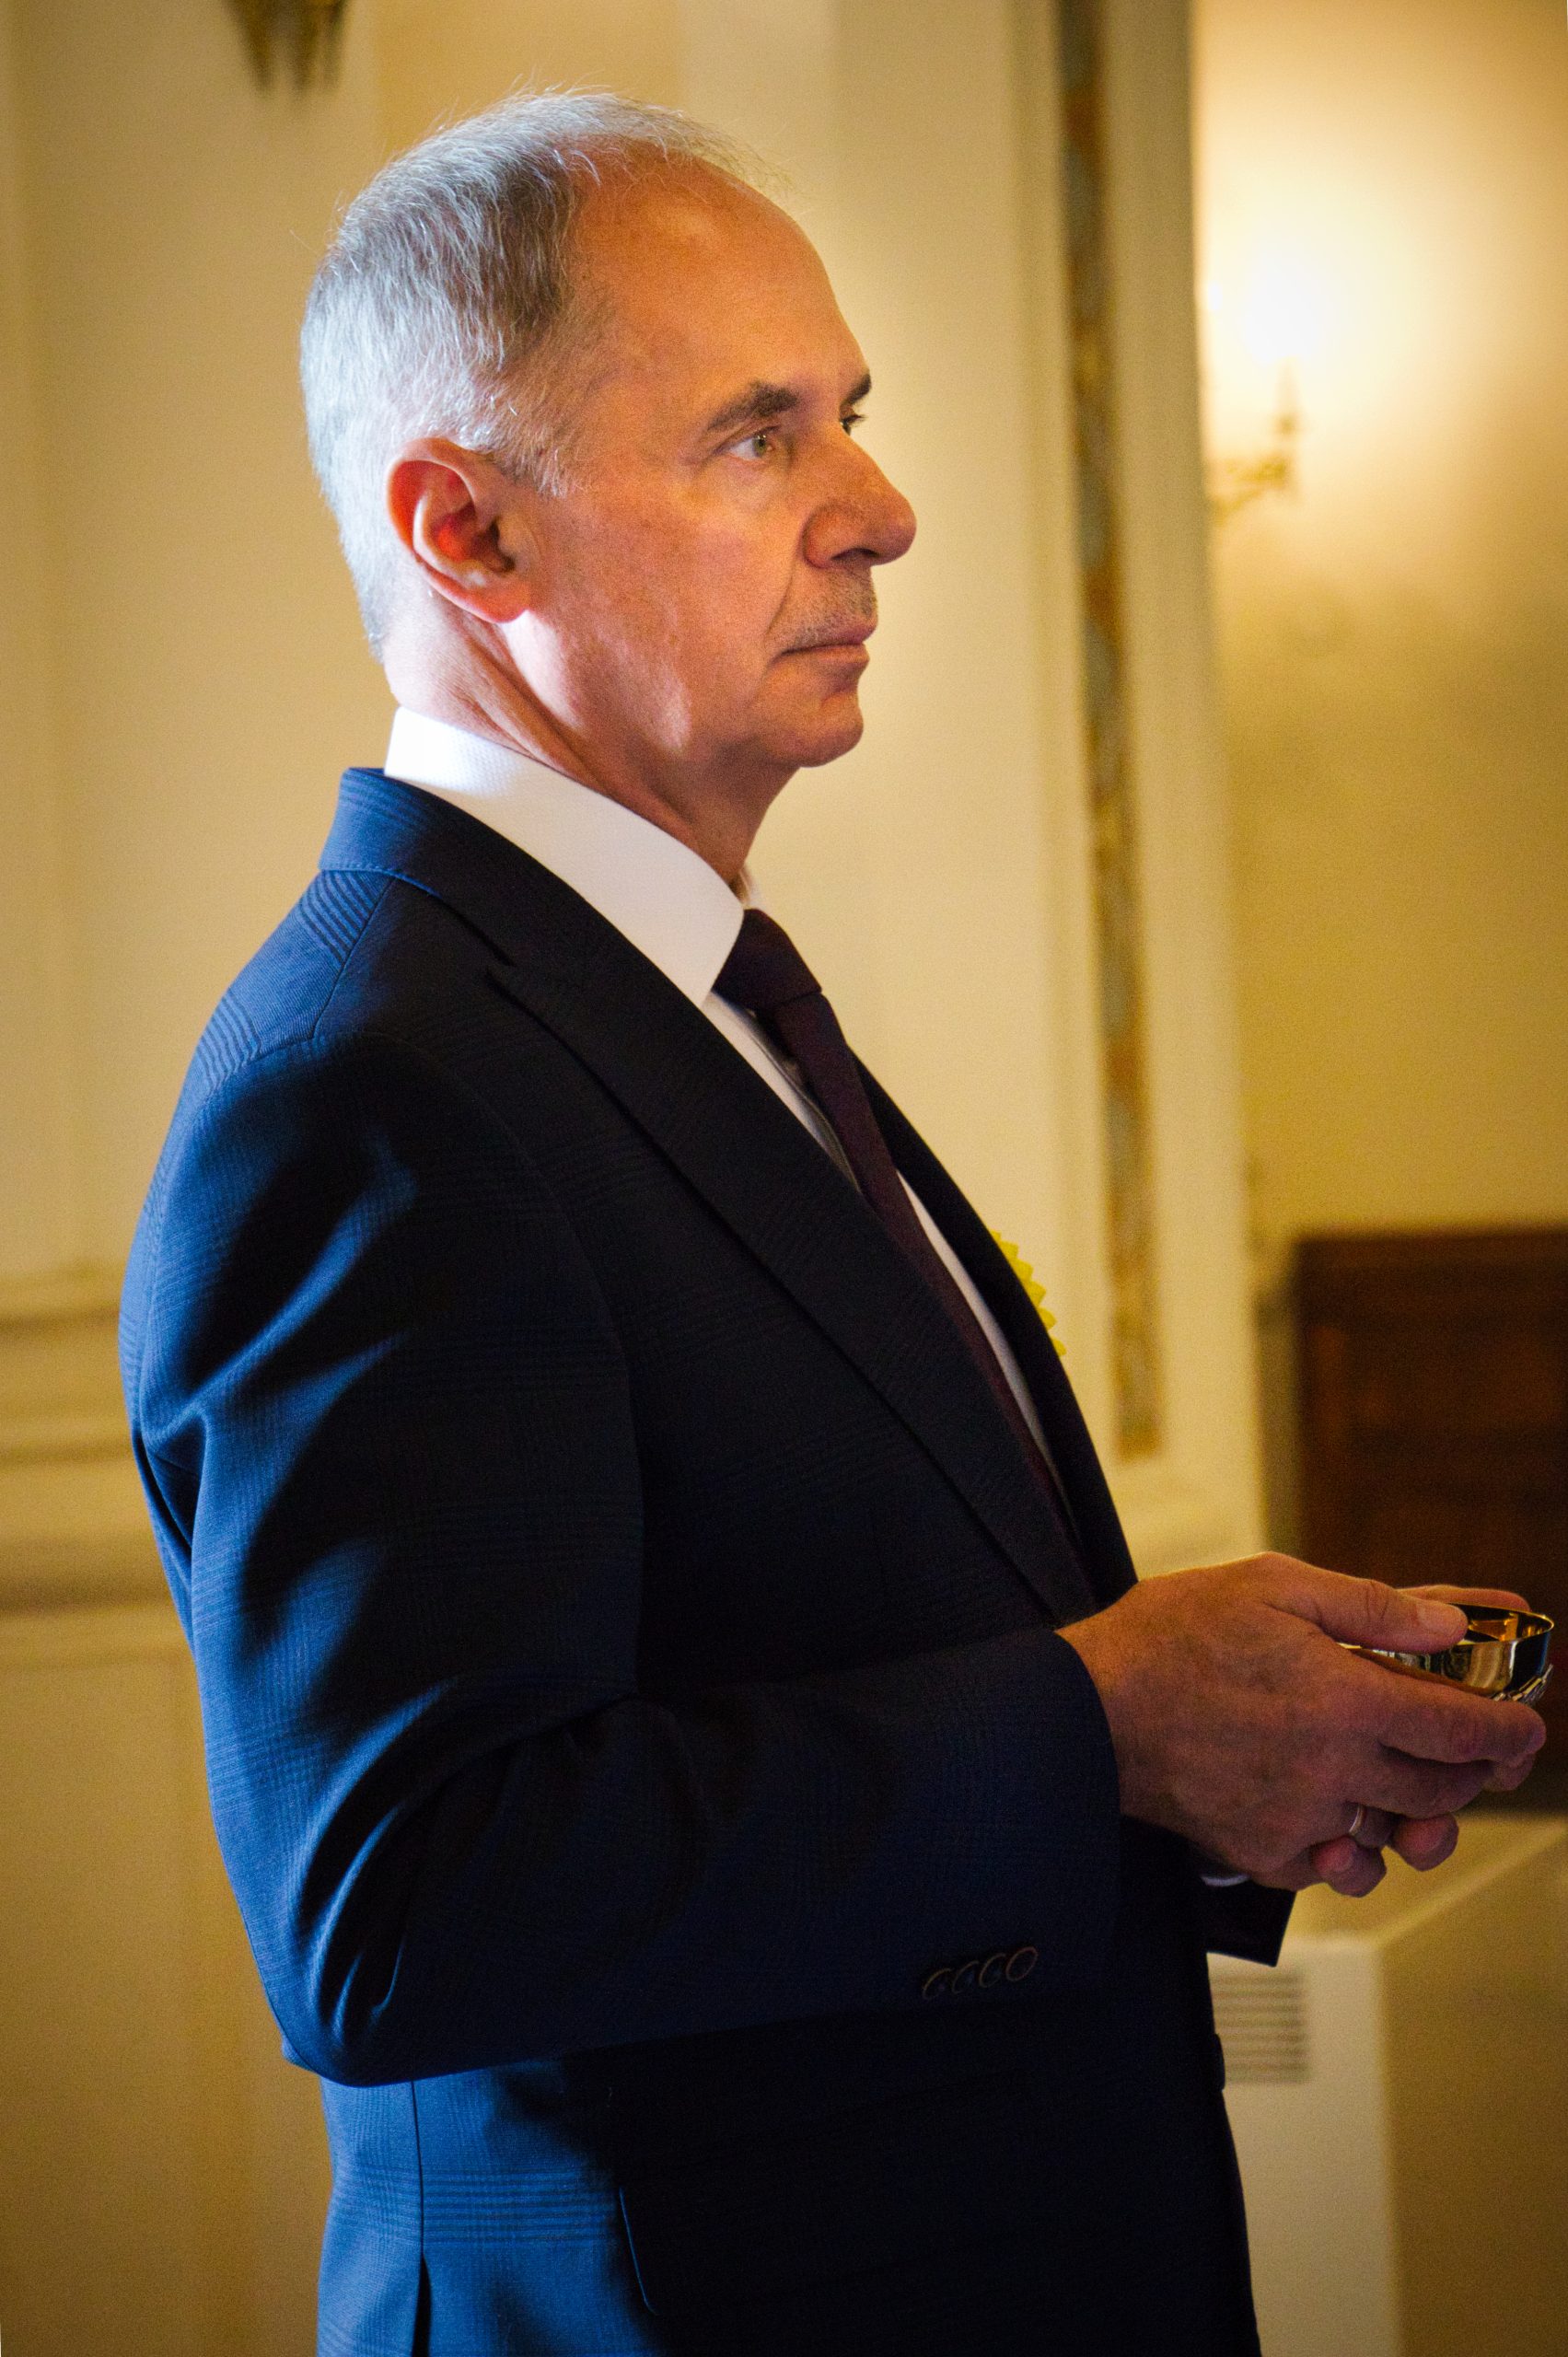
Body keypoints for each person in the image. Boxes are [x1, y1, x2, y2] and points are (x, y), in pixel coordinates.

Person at [120, 94, 1544, 2357]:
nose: (881, 508)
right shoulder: (373, 1081)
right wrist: (1103, 1726)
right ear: (465, 529)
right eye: (757, 435)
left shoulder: (674, 994)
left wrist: (1216, 1757)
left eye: (849, 413)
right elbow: (401, 1902)